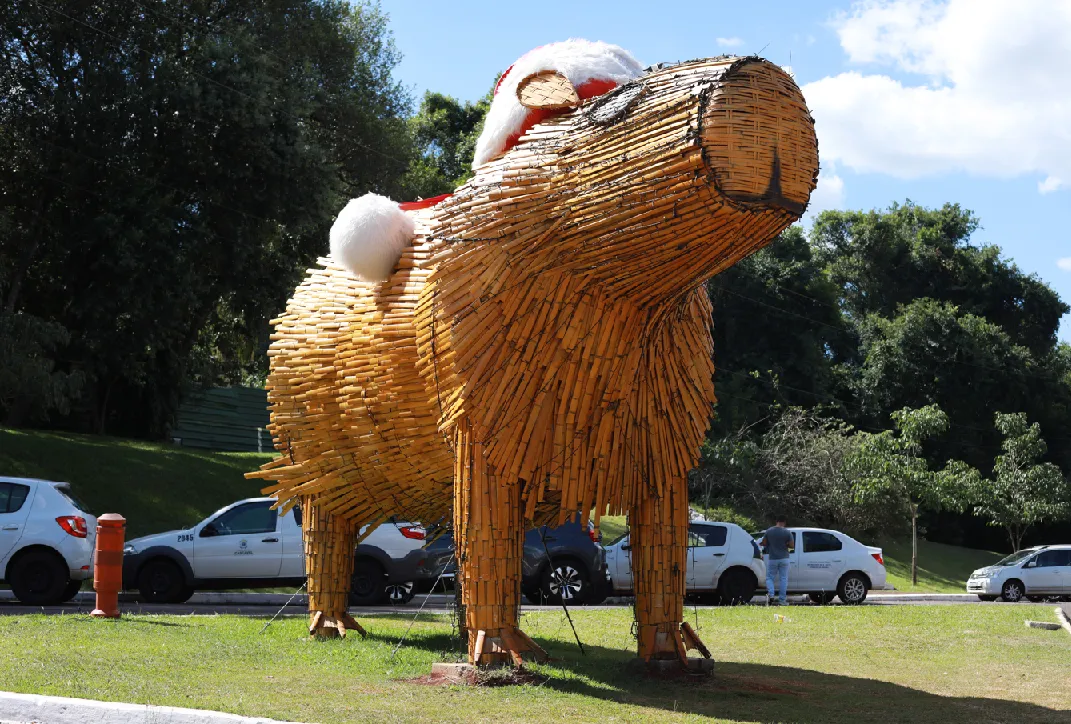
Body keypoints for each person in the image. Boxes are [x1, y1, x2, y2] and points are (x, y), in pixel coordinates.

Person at [761, 515, 794, 605]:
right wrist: (786, 544)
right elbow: (792, 545)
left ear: (776, 521)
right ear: (784, 522)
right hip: (784, 558)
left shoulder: (769, 531)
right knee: (783, 579)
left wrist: (770, 544)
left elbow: (764, 543)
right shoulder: (787, 532)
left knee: (769, 578)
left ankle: (771, 595)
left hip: (773, 558)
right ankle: (782, 600)